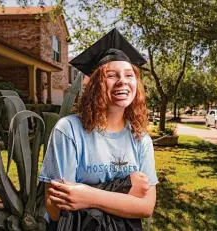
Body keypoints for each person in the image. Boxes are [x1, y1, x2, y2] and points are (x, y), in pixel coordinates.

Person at [38, 28, 158, 229]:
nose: (123, 81)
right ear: (95, 84)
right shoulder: (68, 130)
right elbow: (56, 209)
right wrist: (127, 188)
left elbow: (146, 208)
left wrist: (88, 195)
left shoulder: (140, 138)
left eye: (129, 75)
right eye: (112, 75)